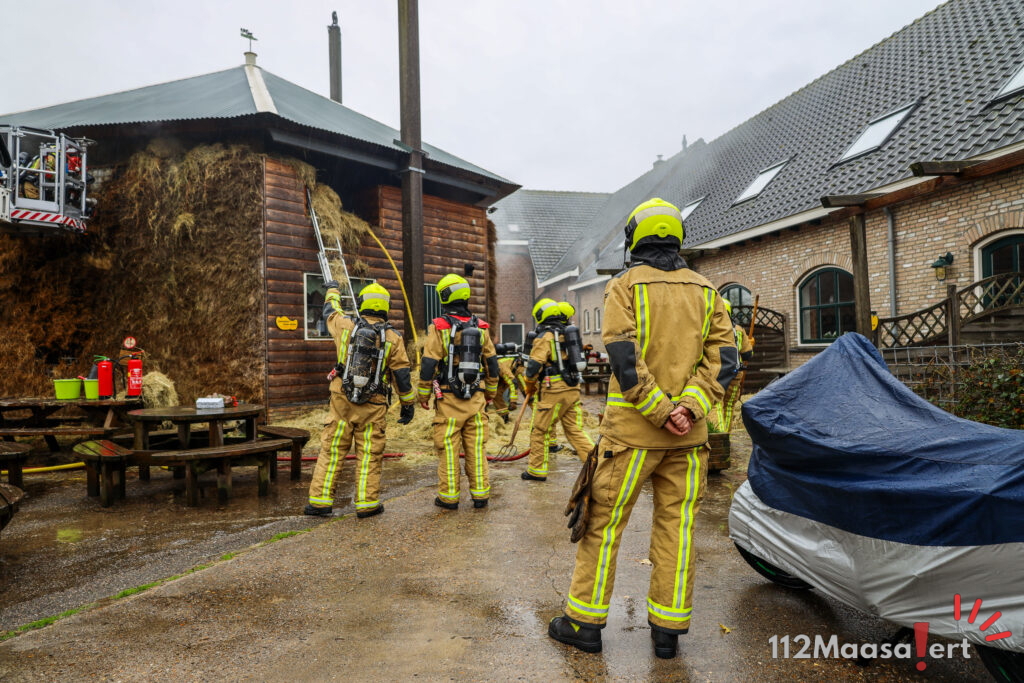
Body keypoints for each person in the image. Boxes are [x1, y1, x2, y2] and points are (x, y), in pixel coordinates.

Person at [548, 198, 738, 658]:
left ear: (634, 238)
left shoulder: (624, 285)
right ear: (677, 238)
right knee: (678, 528)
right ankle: (667, 633)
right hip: (689, 441)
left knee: (605, 524)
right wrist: (689, 410)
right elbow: (726, 361)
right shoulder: (709, 291)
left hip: (631, 437)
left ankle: (584, 625)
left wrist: (659, 409)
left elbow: (622, 356)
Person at [304, 282, 416, 519]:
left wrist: (333, 290)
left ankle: (320, 502)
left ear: (362, 302)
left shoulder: (345, 326)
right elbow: (402, 375)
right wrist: (408, 404)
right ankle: (366, 505)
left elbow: (329, 310)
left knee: (332, 451)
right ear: (386, 307)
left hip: (341, 399)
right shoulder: (393, 337)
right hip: (373, 404)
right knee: (369, 454)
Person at [418, 274, 499, 509]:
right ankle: (481, 496)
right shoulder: (481, 327)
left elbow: (429, 363)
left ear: (444, 296)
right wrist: (490, 392)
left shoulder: (440, 327)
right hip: (476, 398)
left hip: (449, 399)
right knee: (476, 448)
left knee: (449, 449)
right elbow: (492, 363)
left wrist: (423, 395)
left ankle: (449, 498)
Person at [521, 299, 595, 481]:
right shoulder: (566, 334)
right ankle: (596, 465)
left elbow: (533, 366)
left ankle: (536, 470)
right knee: (574, 430)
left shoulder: (545, 336)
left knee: (539, 430)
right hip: (572, 388)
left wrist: (529, 385)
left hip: (553, 390)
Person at [710, 299, 755, 432]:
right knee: (729, 406)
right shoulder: (739, 330)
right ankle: (727, 437)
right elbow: (747, 355)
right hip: (735, 375)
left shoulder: (710, 329)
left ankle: (719, 438)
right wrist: (750, 344)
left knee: (715, 405)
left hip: (716, 374)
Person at [492, 345, 525, 423]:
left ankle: (538, 418)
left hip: (517, 372)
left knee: (528, 394)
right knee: (496, 394)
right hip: (504, 378)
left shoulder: (500, 366)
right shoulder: (495, 364)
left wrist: (513, 401)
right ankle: (504, 417)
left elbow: (513, 382)